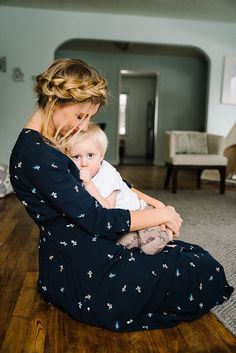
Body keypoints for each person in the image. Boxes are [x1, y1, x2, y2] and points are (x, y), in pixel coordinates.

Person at [10, 58, 233, 332]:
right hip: (86, 270)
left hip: (78, 253)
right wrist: (162, 214)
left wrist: (153, 203)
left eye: (89, 118)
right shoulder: (38, 154)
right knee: (204, 270)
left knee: (190, 254)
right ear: (55, 102)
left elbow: (108, 178)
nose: (83, 126)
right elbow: (96, 218)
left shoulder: (47, 144)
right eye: (80, 116)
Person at [67, 123, 175, 255]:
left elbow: (108, 210)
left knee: (150, 248)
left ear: (101, 156)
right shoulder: (76, 175)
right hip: (124, 225)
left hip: (140, 213)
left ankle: (167, 234)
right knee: (122, 246)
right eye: (76, 157)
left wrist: (89, 184)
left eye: (90, 155)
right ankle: (140, 240)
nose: (84, 163)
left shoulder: (107, 174)